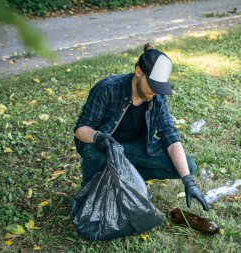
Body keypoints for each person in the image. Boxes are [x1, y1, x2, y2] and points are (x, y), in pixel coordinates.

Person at [73, 43, 208, 211]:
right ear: (138, 72)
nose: (155, 92)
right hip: (103, 148)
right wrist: (98, 137)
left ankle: (129, 180)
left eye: (159, 87)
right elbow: (81, 129)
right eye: (152, 85)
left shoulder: (157, 96)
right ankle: (93, 191)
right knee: (96, 157)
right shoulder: (108, 88)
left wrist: (188, 181)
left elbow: (170, 136)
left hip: (136, 149)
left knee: (188, 165)